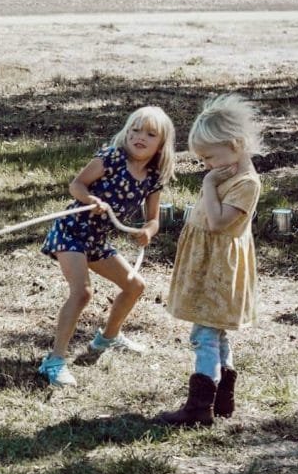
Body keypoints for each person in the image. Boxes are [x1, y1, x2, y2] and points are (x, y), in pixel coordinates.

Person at [37, 106, 176, 387]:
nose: (140, 137)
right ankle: (54, 361)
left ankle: (107, 338)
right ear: (126, 132)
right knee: (82, 292)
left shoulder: (153, 177)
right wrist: (90, 200)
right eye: (135, 130)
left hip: (97, 241)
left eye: (150, 134)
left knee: (135, 286)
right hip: (72, 232)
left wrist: (147, 232)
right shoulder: (111, 158)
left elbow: (153, 220)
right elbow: (76, 186)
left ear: (161, 144)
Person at [158, 94, 265, 427]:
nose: (205, 165)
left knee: (205, 332)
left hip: (220, 270)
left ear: (235, 145)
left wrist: (208, 184)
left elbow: (219, 222)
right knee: (213, 331)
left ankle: (199, 407)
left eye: (209, 158)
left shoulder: (245, 183)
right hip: (208, 263)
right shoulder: (225, 174)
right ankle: (222, 399)